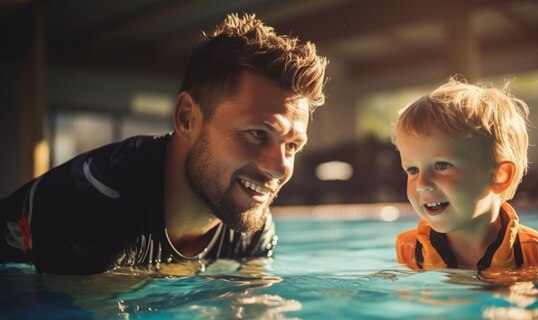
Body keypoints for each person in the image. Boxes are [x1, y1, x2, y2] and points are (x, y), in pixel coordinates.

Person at [0, 13, 328, 275]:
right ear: (187, 119)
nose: (281, 167)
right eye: (258, 134)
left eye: (292, 146)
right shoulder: (95, 204)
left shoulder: (249, 220)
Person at [394, 77, 538, 271]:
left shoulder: (536, 253)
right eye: (412, 170)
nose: (422, 183)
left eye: (441, 165)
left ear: (500, 176)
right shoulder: (410, 249)